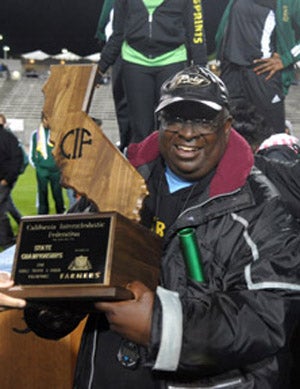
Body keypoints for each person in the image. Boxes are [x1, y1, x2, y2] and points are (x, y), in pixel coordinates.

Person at [23, 66, 300, 388]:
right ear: (159, 122)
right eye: (176, 117)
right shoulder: (112, 182)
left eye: (203, 119)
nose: (187, 132)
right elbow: (69, 265)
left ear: (226, 127)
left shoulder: (260, 205)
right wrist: (49, 304)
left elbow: (269, 315)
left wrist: (163, 327)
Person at [97, 0, 207, 144]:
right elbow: (118, 32)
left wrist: (201, 69)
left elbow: (196, 32)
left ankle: (168, 166)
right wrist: (100, 69)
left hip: (172, 59)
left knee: (172, 126)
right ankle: (143, 166)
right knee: (141, 130)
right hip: (135, 60)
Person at [215, 0, 300, 133]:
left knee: (271, 133)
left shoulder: (290, 3)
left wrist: (286, 59)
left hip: (263, 73)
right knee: (226, 133)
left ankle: (283, 134)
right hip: (231, 70)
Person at [95, 0, 132, 151]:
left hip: (133, 44)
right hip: (116, 46)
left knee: (133, 106)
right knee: (122, 105)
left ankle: (135, 150)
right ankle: (127, 147)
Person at [29, 113, 65, 215]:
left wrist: (60, 164)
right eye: (46, 119)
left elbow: (62, 150)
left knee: (57, 193)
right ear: (42, 120)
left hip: (55, 169)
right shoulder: (35, 134)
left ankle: (61, 214)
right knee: (42, 193)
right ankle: (42, 216)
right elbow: (32, 151)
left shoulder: (57, 133)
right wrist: (37, 165)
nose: (47, 122)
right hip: (42, 170)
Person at [0, 113, 23, 248]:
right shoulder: (9, 137)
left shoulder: (8, 138)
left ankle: (7, 240)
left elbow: (17, 159)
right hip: (5, 179)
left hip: (3, 180)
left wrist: (7, 179)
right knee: (6, 206)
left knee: (1, 211)